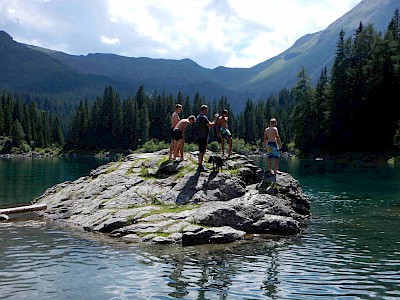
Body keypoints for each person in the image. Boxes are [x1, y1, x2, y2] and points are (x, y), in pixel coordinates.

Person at [196, 105, 219, 172]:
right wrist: (215, 119)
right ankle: (200, 166)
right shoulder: (203, 117)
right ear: (204, 110)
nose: (207, 111)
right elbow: (211, 125)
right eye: (207, 110)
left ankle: (200, 165)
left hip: (199, 136)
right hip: (203, 137)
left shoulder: (198, 117)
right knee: (202, 151)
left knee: (202, 150)